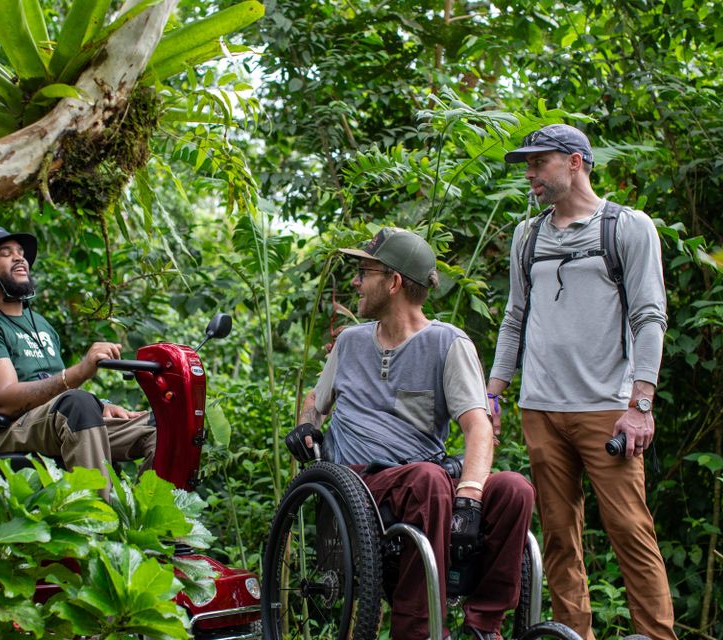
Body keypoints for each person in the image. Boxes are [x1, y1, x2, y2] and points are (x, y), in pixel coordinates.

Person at [286, 228, 534, 640]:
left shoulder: (447, 343)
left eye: (364, 272)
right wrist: (307, 422)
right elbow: (317, 398)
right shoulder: (349, 342)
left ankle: (483, 627)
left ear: (394, 281)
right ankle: (417, 632)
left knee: (514, 489)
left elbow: (478, 426)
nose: (355, 282)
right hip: (361, 482)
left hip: (423, 480)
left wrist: (471, 492)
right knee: (429, 480)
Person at [487, 124, 675, 640]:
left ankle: (658, 636)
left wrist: (641, 403)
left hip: (606, 409)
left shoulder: (628, 227)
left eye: (538, 163)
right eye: (526, 166)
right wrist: (494, 392)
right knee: (558, 538)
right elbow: (513, 317)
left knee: (630, 531)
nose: (529, 175)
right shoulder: (528, 236)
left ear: (574, 162)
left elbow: (650, 316)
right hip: (540, 408)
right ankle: (575, 633)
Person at [0, 225, 156, 482]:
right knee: (76, 405)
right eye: (5, 253)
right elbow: (4, 402)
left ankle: (141, 513)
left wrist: (100, 406)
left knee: (160, 426)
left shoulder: (40, 324)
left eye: (21, 252)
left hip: (47, 424)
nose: (19, 257)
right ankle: (98, 519)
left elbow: (57, 391)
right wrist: (79, 374)